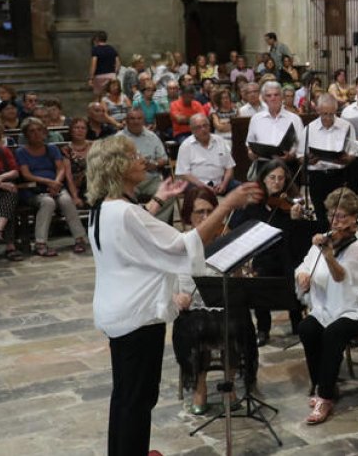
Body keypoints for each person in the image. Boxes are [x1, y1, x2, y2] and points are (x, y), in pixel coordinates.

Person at [87, 135, 259, 454]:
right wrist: (226, 205)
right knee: (138, 400)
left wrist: (157, 200)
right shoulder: (126, 213)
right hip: (138, 318)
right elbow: (183, 246)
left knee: (125, 395)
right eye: (133, 156)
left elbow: (136, 231)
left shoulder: (103, 208)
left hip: (116, 312)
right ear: (118, 167)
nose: (141, 159)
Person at [295, 187, 358, 425]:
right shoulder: (328, 237)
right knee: (306, 328)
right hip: (332, 305)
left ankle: (324, 397)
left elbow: (342, 278)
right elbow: (305, 263)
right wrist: (302, 274)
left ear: (354, 217)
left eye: (341, 216)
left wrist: (329, 256)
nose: (335, 221)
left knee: (334, 332)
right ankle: (324, 384)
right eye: (332, 215)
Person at [170, 187, 260, 415]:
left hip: (224, 305)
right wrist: (177, 297)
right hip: (194, 308)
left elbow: (238, 285)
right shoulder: (178, 243)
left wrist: (240, 266)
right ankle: (199, 387)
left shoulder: (226, 239)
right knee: (194, 328)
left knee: (238, 323)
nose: (205, 217)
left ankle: (229, 384)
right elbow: (165, 283)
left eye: (210, 211)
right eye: (199, 212)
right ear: (188, 215)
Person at [230, 160, 312, 346]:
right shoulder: (254, 205)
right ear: (264, 180)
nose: (276, 182)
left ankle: (296, 320)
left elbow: (299, 238)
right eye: (272, 178)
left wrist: (295, 220)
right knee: (261, 277)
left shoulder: (289, 203)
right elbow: (236, 227)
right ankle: (263, 329)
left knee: (292, 270)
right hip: (264, 254)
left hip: (287, 252)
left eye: (281, 178)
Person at [16, 118, 87, 257]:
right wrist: (48, 182)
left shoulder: (52, 148)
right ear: (26, 135)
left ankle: (79, 238)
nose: (36, 134)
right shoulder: (21, 151)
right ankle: (40, 243)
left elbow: (60, 169)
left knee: (66, 200)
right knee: (48, 202)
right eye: (32, 131)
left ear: (44, 132)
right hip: (33, 189)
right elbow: (26, 174)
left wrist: (55, 183)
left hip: (55, 186)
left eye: (39, 130)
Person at [304, 94, 358, 222]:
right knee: (321, 215)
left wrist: (347, 159)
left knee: (340, 214)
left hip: (339, 176)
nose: (328, 118)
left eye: (331, 114)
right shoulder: (309, 129)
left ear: (335, 111)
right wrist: (308, 160)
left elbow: (354, 153)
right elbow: (301, 155)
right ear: (318, 110)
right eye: (324, 114)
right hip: (317, 177)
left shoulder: (346, 126)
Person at [119, 108, 170, 211]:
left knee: (168, 194)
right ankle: (136, 219)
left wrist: (154, 164)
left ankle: (154, 220)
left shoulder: (152, 136)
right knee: (121, 197)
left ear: (143, 121)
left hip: (150, 178)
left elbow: (164, 159)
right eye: (132, 118)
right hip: (128, 180)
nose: (136, 121)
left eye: (139, 118)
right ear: (126, 120)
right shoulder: (118, 138)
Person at [175, 113, 236, 195]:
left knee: (242, 189)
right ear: (192, 130)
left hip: (221, 183)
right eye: (198, 127)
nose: (203, 129)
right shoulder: (186, 146)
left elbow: (229, 166)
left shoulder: (219, 140)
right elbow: (183, 173)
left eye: (205, 125)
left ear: (209, 126)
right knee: (194, 192)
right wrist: (204, 187)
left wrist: (224, 184)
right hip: (197, 185)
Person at [0, 119, 21, 260]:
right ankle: (9, 244)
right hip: (0, 186)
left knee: (10, 195)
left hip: (2, 186)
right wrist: (0, 184)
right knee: (7, 198)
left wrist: (1, 178)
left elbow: (15, 171)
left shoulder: (3, 151)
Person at [62, 118, 92, 208]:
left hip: (95, 184)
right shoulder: (66, 150)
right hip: (76, 187)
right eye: (76, 128)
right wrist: (75, 197)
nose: (80, 130)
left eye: (83, 128)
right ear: (71, 131)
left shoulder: (95, 146)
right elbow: (68, 176)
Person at [89, 30, 120, 97]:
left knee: (99, 96)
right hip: (111, 75)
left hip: (99, 77)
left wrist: (91, 78)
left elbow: (94, 64)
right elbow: (118, 63)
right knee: (112, 96)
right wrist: (115, 73)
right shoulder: (112, 49)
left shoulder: (95, 50)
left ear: (97, 38)